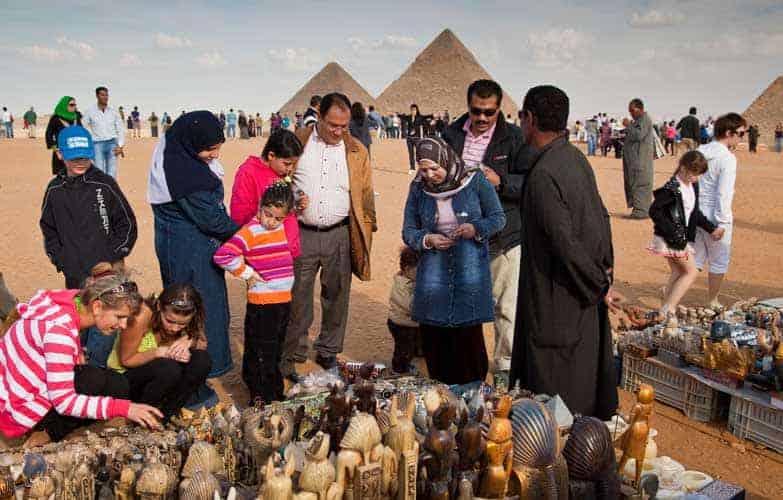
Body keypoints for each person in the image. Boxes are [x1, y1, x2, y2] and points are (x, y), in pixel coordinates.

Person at [509, 85, 618, 419]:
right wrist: (604, 275)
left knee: (556, 409)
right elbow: (601, 218)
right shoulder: (575, 159)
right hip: (582, 293)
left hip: (557, 302)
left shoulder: (543, 174)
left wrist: (596, 283)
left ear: (529, 119)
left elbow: (564, 242)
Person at [0, 265, 162, 446]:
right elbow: (64, 402)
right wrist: (125, 409)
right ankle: (43, 433)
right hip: (14, 409)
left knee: (115, 383)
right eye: (119, 316)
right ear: (98, 306)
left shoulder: (70, 301)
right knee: (96, 382)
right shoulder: (59, 332)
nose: (123, 325)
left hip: (13, 385)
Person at [281, 93, 377, 378]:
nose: (338, 131)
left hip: (340, 234)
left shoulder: (357, 150)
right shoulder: (297, 140)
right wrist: (292, 197)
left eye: (344, 126)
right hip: (302, 233)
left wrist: (366, 230)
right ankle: (296, 350)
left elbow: (366, 194)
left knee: (337, 296)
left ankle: (328, 350)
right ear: (318, 116)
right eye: (333, 125)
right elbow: (278, 179)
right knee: (298, 295)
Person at [147, 110, 240, 405]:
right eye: (209, 149)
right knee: (191, 316)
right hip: (188, 254)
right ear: (191, 145)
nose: (215, 154)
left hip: (189, 247)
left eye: (218, 148)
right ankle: (192, 389)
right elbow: (213, 221)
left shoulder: (178, 153)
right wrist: (250, 236)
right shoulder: (185, 176)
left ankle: (195, 381)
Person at [441, 79, 530, 381]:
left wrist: (501, 183)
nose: (481, 118)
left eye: (488, 112)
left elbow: (531, 183)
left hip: (502, 236)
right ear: (468, 106)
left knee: (507, 309)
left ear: (498, 110)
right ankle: (469, 372)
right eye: (476, 111)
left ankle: (504, 372)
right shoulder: (450, 134)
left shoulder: (515, 138)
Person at [402, 137, 505, 385]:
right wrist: (427, 239)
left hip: (469, 267)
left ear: (446, 160)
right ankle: (442, 395)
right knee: (435, 335)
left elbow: (498, 218)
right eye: (423, 169)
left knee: (467, 335)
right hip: (433, 270)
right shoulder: (418, 188)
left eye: (434, 168)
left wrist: (474, 228)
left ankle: (474, 395)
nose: (429, 175)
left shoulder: (475, 180)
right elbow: (408, 230)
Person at [215, 182, 296, 403]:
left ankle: (270, 388)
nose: (271, 221)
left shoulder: (278, 228)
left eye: (277, 218)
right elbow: (223, 255)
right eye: (267, 214)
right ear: (260, 207)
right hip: (263, 302)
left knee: (275, 348)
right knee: (264, 351)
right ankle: (263, 396)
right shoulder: (250, 231)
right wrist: (247, 273)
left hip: (282, 300)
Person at [40, 125, 137, 291]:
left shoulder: (104, 184)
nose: (80, 162)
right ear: (60, 154)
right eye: (74, 158)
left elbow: (127, 223)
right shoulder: (54, 190)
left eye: (85, 158)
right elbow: (49, 229)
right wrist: (61, 260)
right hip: (74, 272)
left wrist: (113, 256)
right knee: (81, 312)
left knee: (113, 311)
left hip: (108, 269)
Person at [107, 283, 211, 421]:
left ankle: (167, 414)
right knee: (168, 368)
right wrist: (159, 352)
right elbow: (126, 360)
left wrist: (189, 340)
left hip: (162, 379)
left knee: (202, 360)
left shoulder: (191, 315)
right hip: (127, 379)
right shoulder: (140, 316)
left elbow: (203, 343)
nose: (174, 328)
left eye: (182, 324)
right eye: (169, 321)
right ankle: (143, 416)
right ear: (159, 307)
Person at [648, 151, 724, 318]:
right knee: (690, 271)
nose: (696, 178)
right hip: (672, 238)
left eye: (698, 175)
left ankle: (665, 308)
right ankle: (669, 308)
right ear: (683, 168)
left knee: (677, 271)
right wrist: (671, 232)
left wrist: (711, 228)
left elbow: (694, 213)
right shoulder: (671, 189)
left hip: (677, 237)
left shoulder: (692, 186)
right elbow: (654, 211)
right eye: (694, 174)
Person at [694, 113, 746, 309]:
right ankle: (712, 300)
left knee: (695, 259)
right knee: (718, 261)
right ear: (728, 132)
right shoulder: (727, 158)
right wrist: (722, 221)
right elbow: (724, 193)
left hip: (696, 214)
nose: (741, 138)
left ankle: (672, 292)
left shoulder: (700, 150)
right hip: (716, 215)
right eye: (740, 134)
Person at [230, 128, 305, 234]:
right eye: (287, 164)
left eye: (294, 164)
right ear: (271, 156)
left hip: (287, 243)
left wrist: (297, 203)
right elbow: (240, 215)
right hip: (264, 242)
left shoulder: (282, 173)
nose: (290, 169)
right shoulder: (248, 173)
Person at [387, 246, 420, 374]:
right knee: (403, 349)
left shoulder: (412, 280)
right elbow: (410, 306)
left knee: (414, 344)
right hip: (401, 325)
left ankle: (412, 359)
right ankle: (399, 370)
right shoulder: (401, 285)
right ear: (407, 269)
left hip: (412, 323)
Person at [83, 87, 125, 178]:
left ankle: (110, 191)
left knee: (112, 172)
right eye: (102, 95)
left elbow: (120, 129)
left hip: (112, 144)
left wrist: (120, 145)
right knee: (99, 171)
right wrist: (90, 139)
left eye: (106, 95)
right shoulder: (90, 111)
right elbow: (83, 127)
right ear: (97, 96)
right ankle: (100, 191)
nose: (105, 97)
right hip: (97, 144)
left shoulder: (114, 111)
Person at [622, 98, 654, 219]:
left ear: (640, 109)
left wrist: (628, 125)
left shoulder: (645, 120)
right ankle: (639, 209)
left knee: (640, 184)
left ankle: (641, 211)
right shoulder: (639, 121)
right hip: (635, 161)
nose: (631, 113)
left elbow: (638, 135)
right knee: (634, 184)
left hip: (640, 162)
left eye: (632, 110)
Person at [45, 96, 82, 175]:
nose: (74, 107)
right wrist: (56, 150)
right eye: (71, 105)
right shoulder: (56, 118)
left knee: (77, 174)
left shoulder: (77, 117)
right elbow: (48, 135)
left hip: (76, 151)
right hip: (62, 151)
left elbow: (81, 133)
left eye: (75, 105)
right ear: (64, 105)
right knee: (62, 175)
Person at [406, 104, 426, 172]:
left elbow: (423, 127)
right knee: (410, 153)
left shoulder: (419, 118)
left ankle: (422, 167)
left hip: (417, 138)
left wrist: (422, 137)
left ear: (417, 110)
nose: (413, 111)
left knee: (419, 153)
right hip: (409, 138)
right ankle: (412, 168)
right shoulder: (409, 118)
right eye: (412, 110)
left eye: (414, 110)